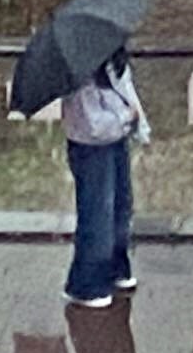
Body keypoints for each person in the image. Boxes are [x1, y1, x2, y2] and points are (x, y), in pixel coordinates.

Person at [58, 47, 147, 308]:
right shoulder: (78, 69)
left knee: (121, 206)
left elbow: (126, 90)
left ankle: (116, 267)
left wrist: (135, 122)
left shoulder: (111, 58)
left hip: (117, 138)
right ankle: (86, 284)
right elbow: (93, 124)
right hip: (90, 146)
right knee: (98, 213)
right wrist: (127, 117)